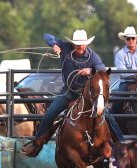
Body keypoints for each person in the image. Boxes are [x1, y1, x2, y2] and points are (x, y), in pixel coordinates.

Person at [22, 29, 124, 157]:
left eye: (82, 44)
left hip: (86, 95)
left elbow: (102, 70)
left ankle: (121, 143)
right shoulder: (65, 47)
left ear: (86, 44)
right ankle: (37, 143)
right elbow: (47, 35)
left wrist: (90, 69)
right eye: (77, 44)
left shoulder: (93, 56)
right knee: (50, 114)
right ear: (73, 44)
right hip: (69, 91)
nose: (80, 46)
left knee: (106, 115)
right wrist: (54, 45)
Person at [112, 26, 137, 113]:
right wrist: (135, 75)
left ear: (136, 39)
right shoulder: (120, 54)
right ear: (125, 40)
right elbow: (122, 73)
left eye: (133, 38)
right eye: (128, 38)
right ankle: (114, 122)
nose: (131, 40)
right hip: (126, 83)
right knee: (117, 101)